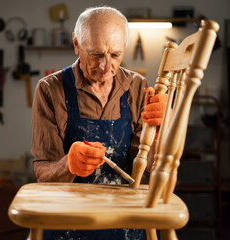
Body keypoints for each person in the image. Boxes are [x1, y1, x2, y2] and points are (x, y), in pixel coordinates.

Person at [31, 5, 167, 240]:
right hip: (67, 223)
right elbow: (43, 175)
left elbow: (151, 167)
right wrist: (68, 165)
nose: (106, 67)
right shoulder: (50, 90)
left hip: (123, 222)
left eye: (115, 55)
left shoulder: (137, 87)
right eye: (96, 54)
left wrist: (161, 132)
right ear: (76, 45)